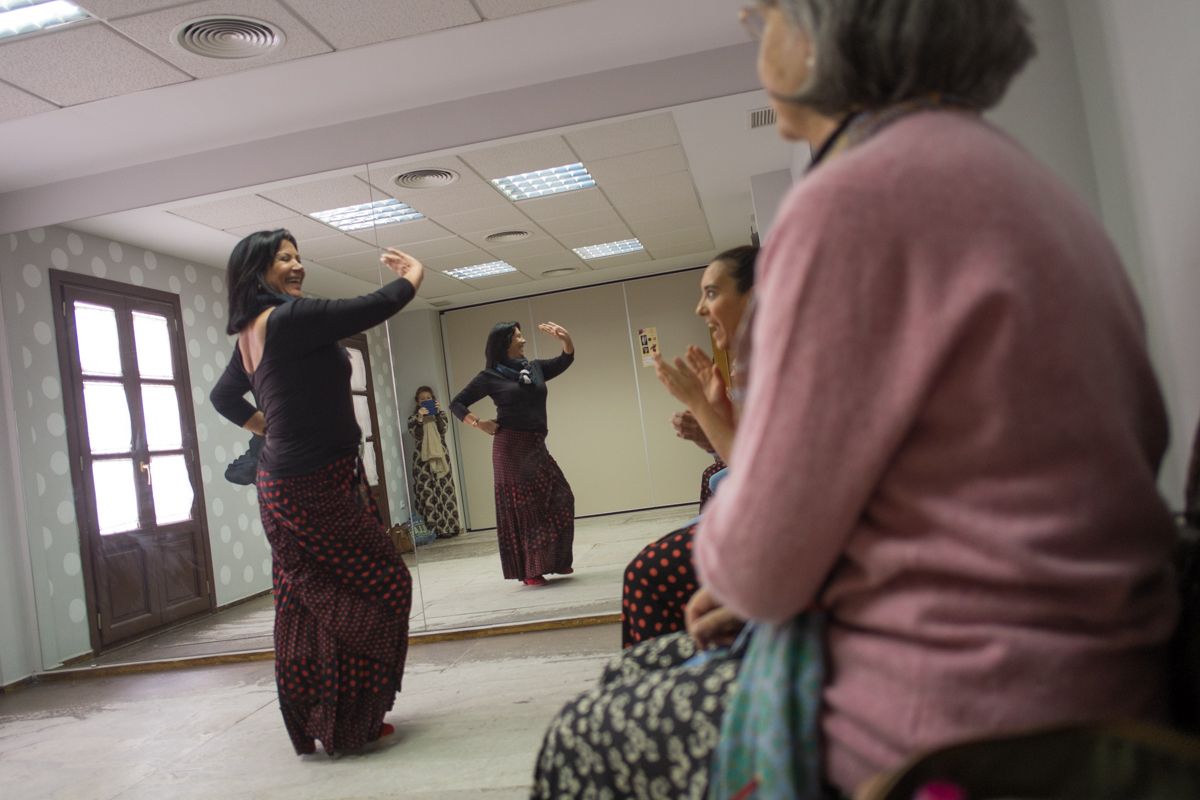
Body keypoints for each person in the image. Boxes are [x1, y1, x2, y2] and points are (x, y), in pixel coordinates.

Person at [536, 1, 1179, 797]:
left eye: (768, 12)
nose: (749, 18)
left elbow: (759, 563)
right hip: (1099, 666)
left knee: (585, 737)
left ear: (823, 32)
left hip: (963, 705)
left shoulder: (851, 201)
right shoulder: (1029, 184)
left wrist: (757, 572)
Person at [210, 229, 424, 756]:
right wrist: (414, 276)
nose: (297, 265)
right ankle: (350, 716)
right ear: (256, 273)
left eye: (299, 256)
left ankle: (333, 719)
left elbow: (224, 396)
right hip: (309, 483)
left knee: (310, 602)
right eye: (284, 258)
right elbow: (374, 305)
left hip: (292, 481)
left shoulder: (254, 332)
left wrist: (271, 430)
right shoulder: (285, 320)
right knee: (385, 581)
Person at [620, 245, 757, 648]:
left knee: (647, 572)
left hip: (787, 529)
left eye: (712, 293)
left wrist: (702, 406)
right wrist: (714, 418)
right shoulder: (751, 363)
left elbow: (762, 474)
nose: (700, 308)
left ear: (756, 296)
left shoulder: (784, 361)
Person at [450, 321, 575, 587]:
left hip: (536, 445)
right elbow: (456, 403)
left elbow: (564, 361)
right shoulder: (490, 377)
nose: (524, 340)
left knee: (562, 496)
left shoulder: (536, 368)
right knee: (524, 509)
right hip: (510, 447)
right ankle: (531, 570)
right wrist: (478, 422)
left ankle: (556, 560)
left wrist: (566, 340)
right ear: (505, 343)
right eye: (518, 336)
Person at [406, 386, 463, 539]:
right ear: (417, 402)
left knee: (445, 490)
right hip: (422, 461)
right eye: (422, 399)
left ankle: (450, 527)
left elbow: (443, 429)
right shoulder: (412, 419)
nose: (426, 401)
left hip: (441, 457)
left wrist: (437, 414)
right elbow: (416, 435)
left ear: (433, 399)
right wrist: (419, 419)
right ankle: (431, 532)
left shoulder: (441, 415)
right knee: (427, 494)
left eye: (428, 398)